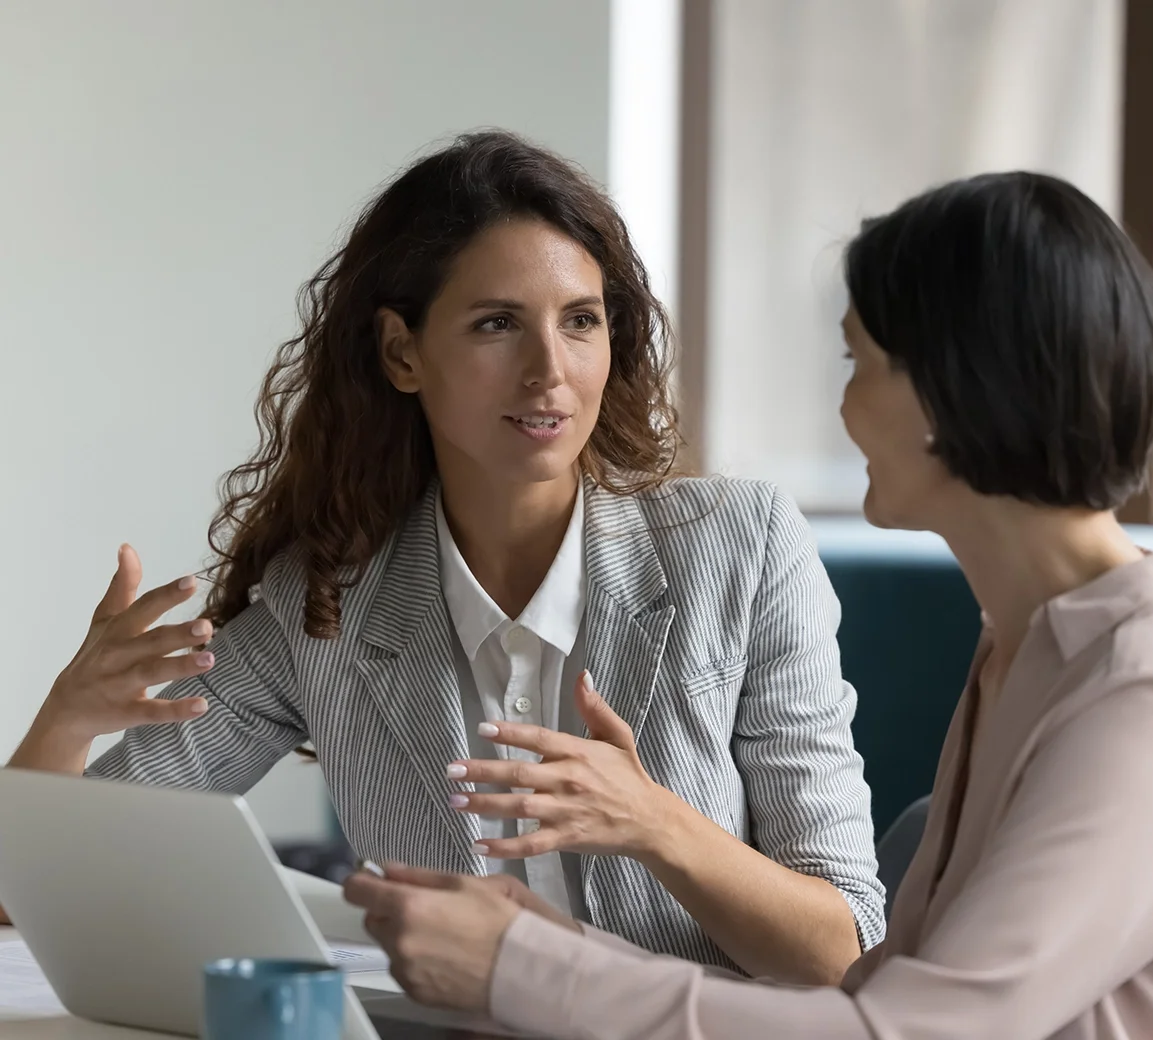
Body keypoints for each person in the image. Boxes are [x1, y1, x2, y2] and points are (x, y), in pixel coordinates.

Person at [342, 171, 1153, 1039]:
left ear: (948, 394)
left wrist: (523, 968)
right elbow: (869, 995)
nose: (843, 412)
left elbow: (903, 1032)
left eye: (858, 366)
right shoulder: (1026, 654)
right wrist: (541, 942)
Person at [6, 130, 885, 983]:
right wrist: (67, 722)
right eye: (498, 323)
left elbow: (841, 952)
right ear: (401, 353)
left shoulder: (740, 546)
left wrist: (651, 821)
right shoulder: (323, 605)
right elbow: (33, 890)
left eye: (581, 321)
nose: (550, 369)